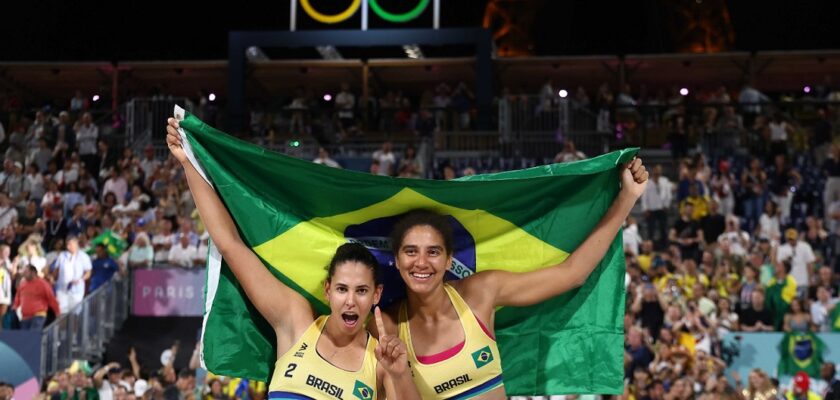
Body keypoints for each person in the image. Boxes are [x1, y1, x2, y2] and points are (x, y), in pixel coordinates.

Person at [166, 118, 420, 400]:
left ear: (376, 295)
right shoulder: (295, 321)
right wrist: (188, 162)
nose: (350, 300)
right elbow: (230, 244)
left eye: (361, 291)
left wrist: (400, 374)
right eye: (341, 289)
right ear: (327, 289)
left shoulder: (380, 362)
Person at [372, 158, 648, 398]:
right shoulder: (387, 326)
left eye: (433, 252)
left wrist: (627, 198)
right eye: (411, 252)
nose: (421, 262)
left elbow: (571, 274)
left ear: (448, 259)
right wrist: (397, 375)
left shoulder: (480, 292)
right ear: (397, 260)